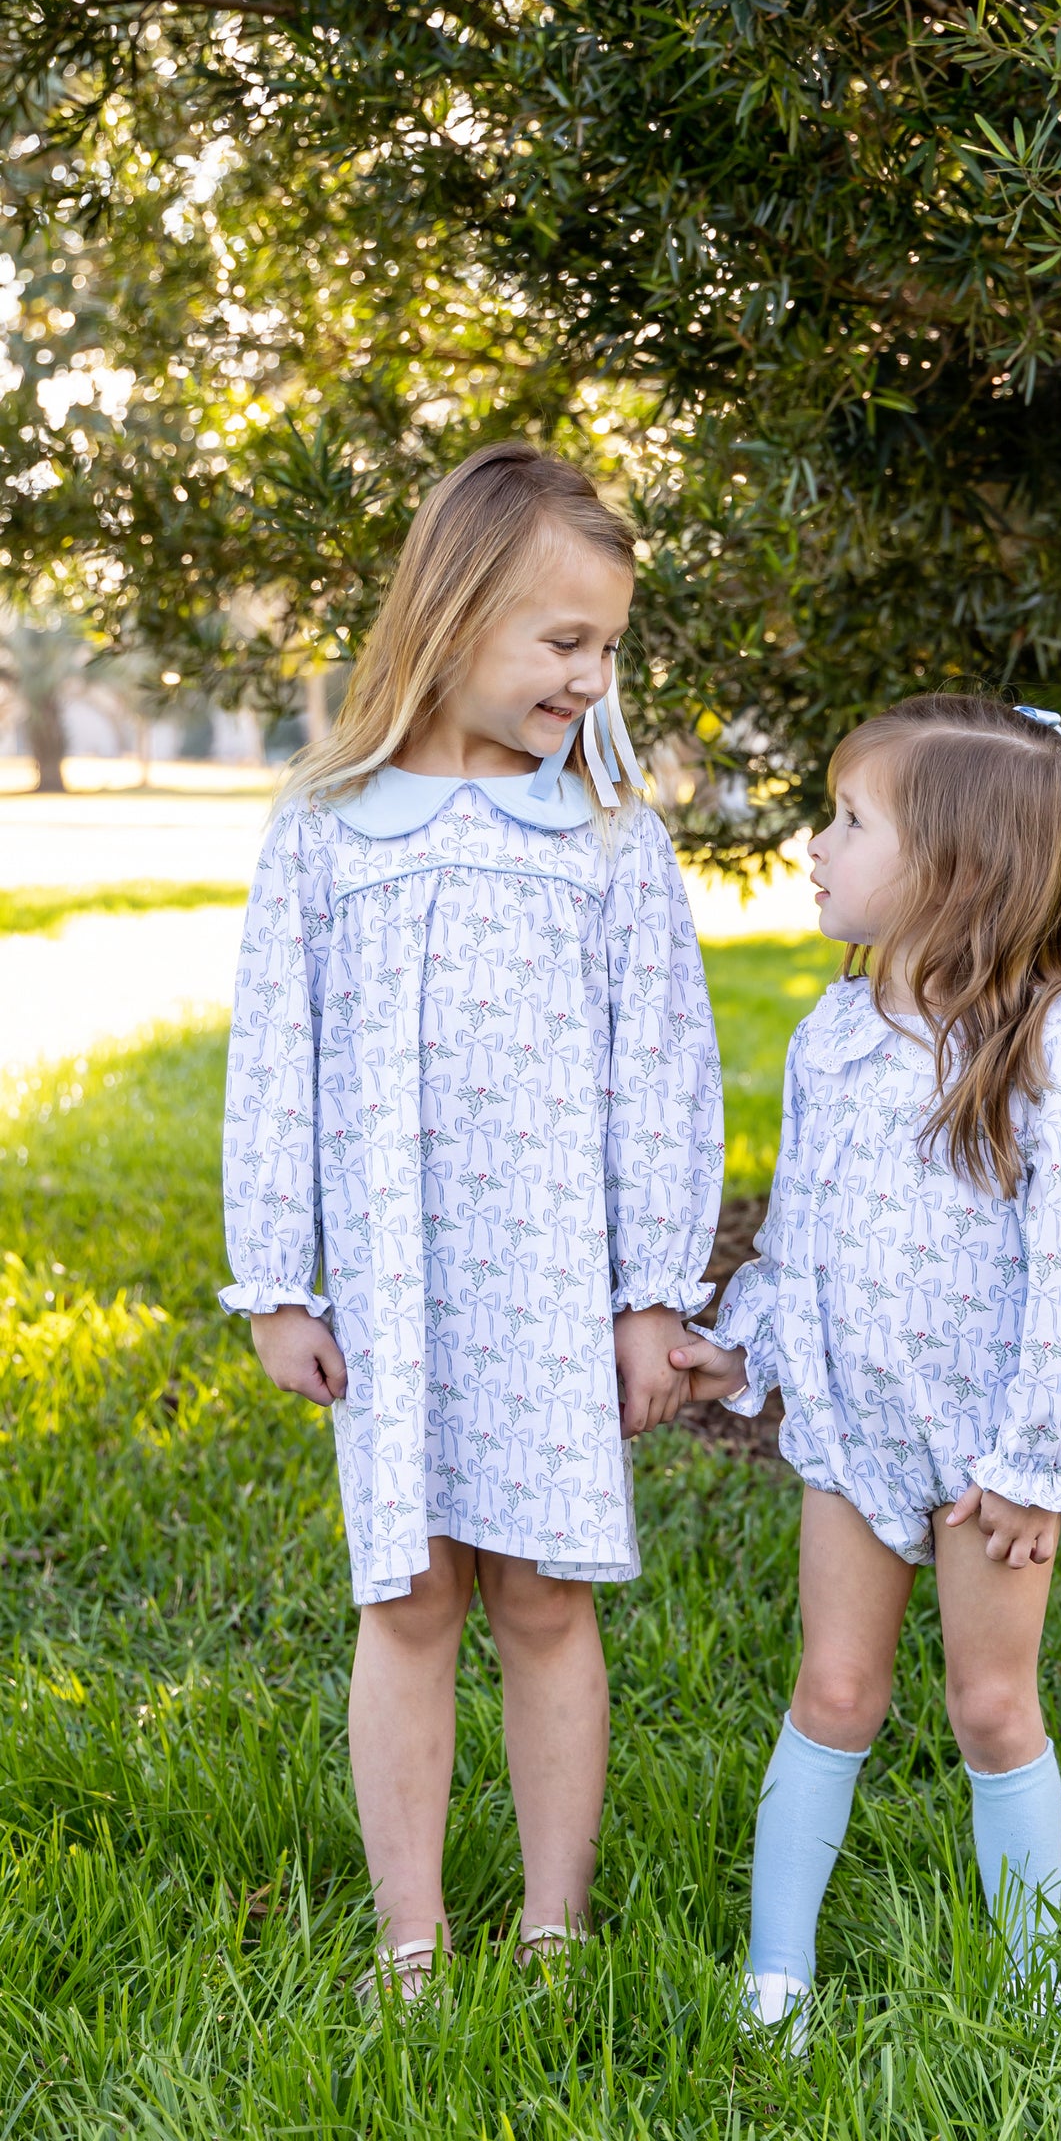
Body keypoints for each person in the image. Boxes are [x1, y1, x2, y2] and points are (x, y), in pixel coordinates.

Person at [221, 443, 723, 2000]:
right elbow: (272, 1059)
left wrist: (652, 1292)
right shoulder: (325, 825)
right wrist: (273, 1279)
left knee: (542, 1593)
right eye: (562, 642)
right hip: (388, 1284)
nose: (591, 675)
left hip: (552, 1289)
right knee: (411, 1594)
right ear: (453, 615)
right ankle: (411, 1938)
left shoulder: (605, 840)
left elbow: (664, 1070)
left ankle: (556, 1929)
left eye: (607, 648)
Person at [670, 693, 1061, 2046]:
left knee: (990, 1706)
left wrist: (1034, 1466)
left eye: (849, 819)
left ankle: (1031, 1997)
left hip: (990, 1457)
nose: (815, 843)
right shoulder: (831, 1036)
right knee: (832, 1693)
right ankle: (774, 1982)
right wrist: (738, 1347)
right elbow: (803, 1236)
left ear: (955, 868)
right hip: (850, 1441)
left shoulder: (1053, 1059)